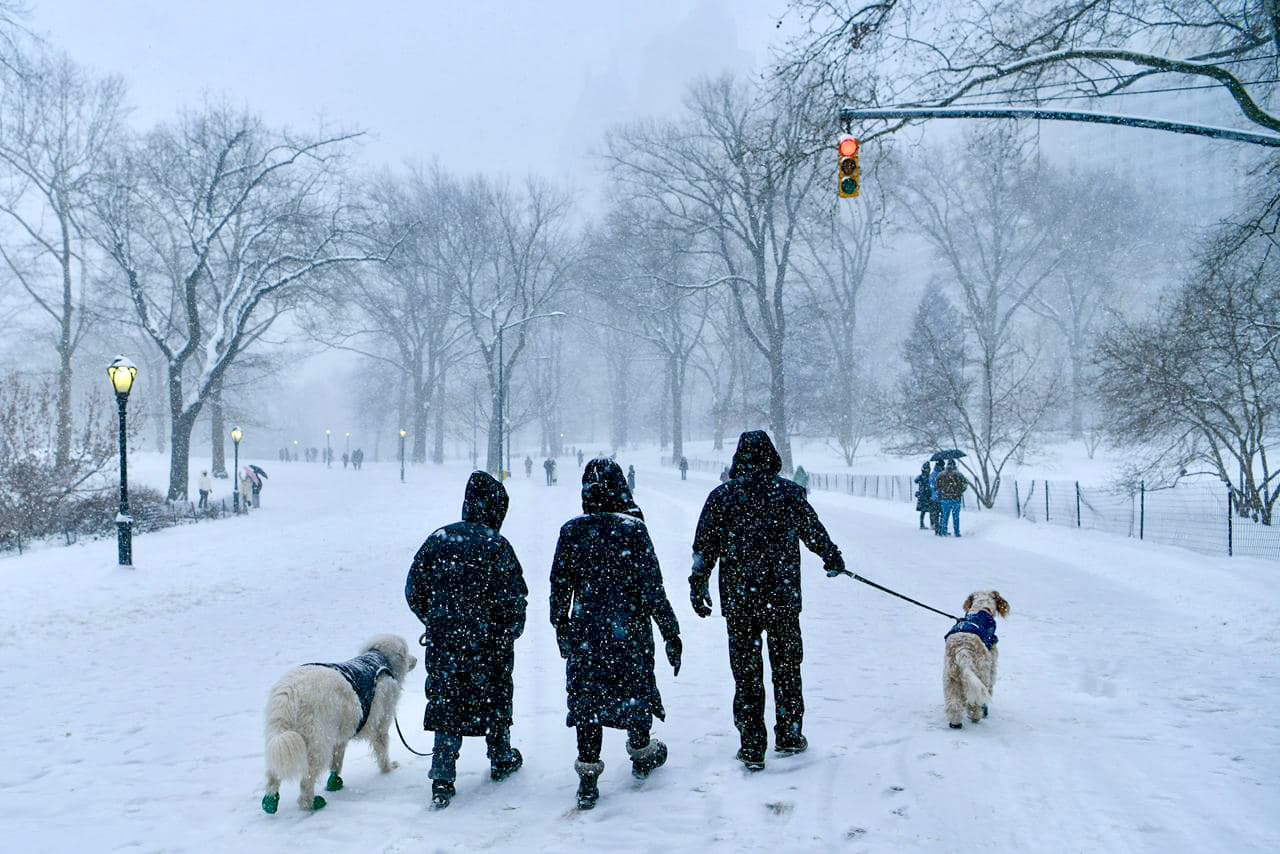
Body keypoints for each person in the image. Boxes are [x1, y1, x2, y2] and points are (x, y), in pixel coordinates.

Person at [690, 430, 844, 771]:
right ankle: (789, 735)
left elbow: (704, 548)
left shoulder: (722, 497)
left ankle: (752, 744)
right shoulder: (788, 493)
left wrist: (698, 584)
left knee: (746, 673)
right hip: (782, 597)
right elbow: (813, 531)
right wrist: (832, 557)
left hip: (739, 600)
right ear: (773, 457)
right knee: (787, 669)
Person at [551, 459, 681, 810]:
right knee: (634, 690)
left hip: (587, 630)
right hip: (629, 629)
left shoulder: (571, 532)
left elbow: (559, 587)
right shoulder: (633, 530)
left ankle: (588, 775)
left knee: (587, 698)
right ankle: (641, 751)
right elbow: (653, 588)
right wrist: (671, 632)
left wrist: (561, 626)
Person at [405, 471, 528, 809]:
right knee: (496, 694)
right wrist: (507, 630)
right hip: (490, 644)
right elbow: (515, 599)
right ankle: (500, 754)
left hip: (447, 642)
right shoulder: (497, 545)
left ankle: (443, 772)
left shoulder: (440, 539)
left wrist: (436, 619)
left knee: (448, 699)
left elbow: (413, 590)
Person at [936, 460, 968, 538]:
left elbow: (937, 485)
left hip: (945, 499)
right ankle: (956, 532)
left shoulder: (941, 475)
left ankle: (944, 531)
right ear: (955, 465)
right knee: (956, 517)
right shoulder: (959, 475)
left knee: (945, 516)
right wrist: (960, 491)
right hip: (956, 499)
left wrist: (942, 491)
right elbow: (965, 484)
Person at [914, 462, 932, 529]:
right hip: (926, 496)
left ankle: (924, 524)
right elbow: (915, 480)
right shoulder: (926, 476)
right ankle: (928, 524)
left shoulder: (922, 476)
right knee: (927, 511)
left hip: (924, 495)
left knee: (925, 511)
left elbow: (916, 480)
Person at [929, 460, 945, 534]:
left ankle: (936, 528)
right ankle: (941, 528)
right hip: (941, 496)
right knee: (943, 513)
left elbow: (930, 485)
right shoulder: (941, 474)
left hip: (934, 497)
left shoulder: (932, 474)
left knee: (936, 514)